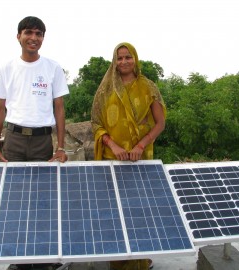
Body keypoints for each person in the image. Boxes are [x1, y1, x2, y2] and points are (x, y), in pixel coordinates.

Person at [0, 16, 69, 270]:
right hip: (13, 141)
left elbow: (59, 109)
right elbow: (0, 108)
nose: (34, 37)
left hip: (42, 141)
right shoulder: (7, 68)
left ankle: (44, 257)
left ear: (43, 38)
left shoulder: (53, 68)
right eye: (28, 32)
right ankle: (21, 259)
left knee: (42, 201)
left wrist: (60, 146)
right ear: (18, 36)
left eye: (39, 33)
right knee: (16, 200)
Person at [91, 42, 166, 270]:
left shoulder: (148, 87)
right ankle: (119, 259)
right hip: (111, 158)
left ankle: (139, 259)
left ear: (135, 59)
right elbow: (96, 123)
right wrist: (112, 145)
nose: (124, 62)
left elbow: (160, 123)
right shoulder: (105, 89)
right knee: (114, 212)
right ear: (114, 61)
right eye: (119, 58)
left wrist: (141, 146)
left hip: (139, 159)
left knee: (137, 210)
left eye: (128, 57)